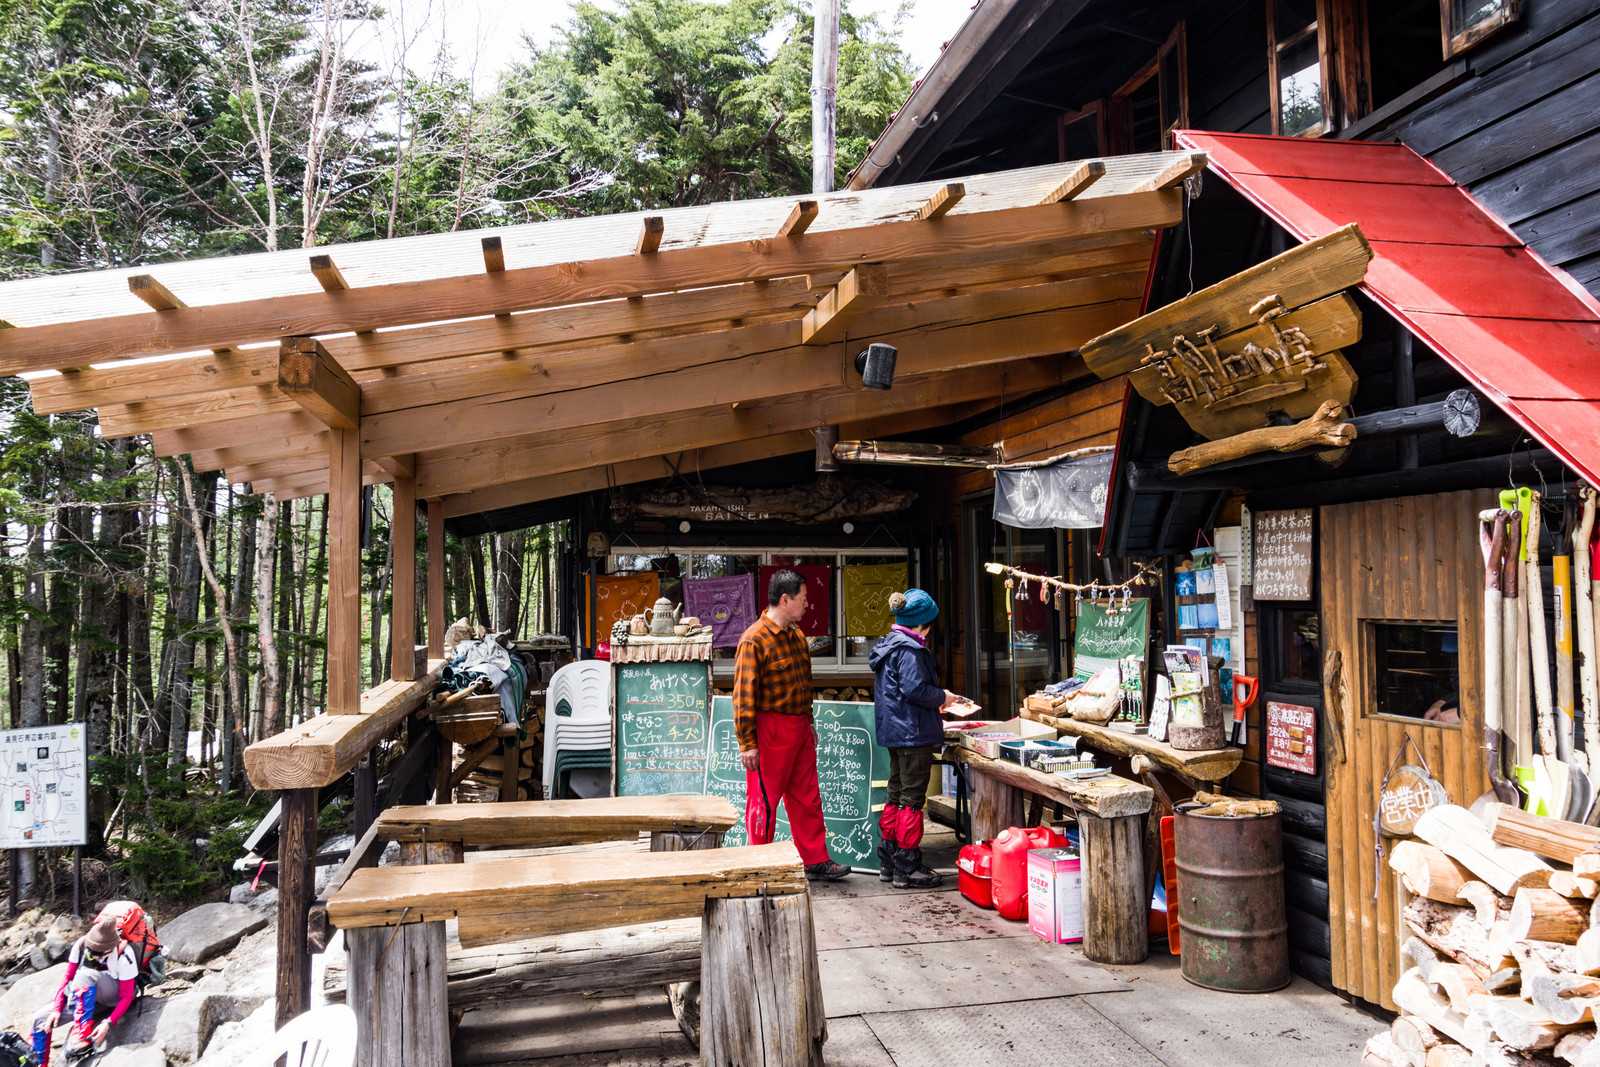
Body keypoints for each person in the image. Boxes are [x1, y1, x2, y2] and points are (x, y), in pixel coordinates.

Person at [734, 569, 851, 881]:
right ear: (785, 600)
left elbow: (804, 684)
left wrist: (808, 721)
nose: (807, 604)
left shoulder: (797, 636)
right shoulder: (754, 640)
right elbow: (743, 697)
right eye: (803, 598)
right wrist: (748, 743)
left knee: (807, 796)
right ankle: (759, 863)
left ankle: (815, 859)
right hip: (769, 728)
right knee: (764, 800)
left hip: (799, 726)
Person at [869, 589, 957, 889]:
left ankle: (889, 859)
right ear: (923, 625)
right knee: (911, 800)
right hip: (912, 734)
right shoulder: (910, 650)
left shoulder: (889, 645)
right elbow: (915, 689)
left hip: (895, 732)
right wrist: (943, 697)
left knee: (895, 794)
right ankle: (906, 866)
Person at [31, 918, 139, 1064]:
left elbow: (127, 996)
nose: (94, 955)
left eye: (99, 952)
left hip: (113, 997)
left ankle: (82, 1034)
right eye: (92, 950)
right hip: (86, 997)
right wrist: (57, 1009)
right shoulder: (81, 945)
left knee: (86, 974)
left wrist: (108, 1023)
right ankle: (39, 1063)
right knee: (40, 1019)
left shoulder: (124, 954)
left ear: (111, 948)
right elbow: (68, 978)